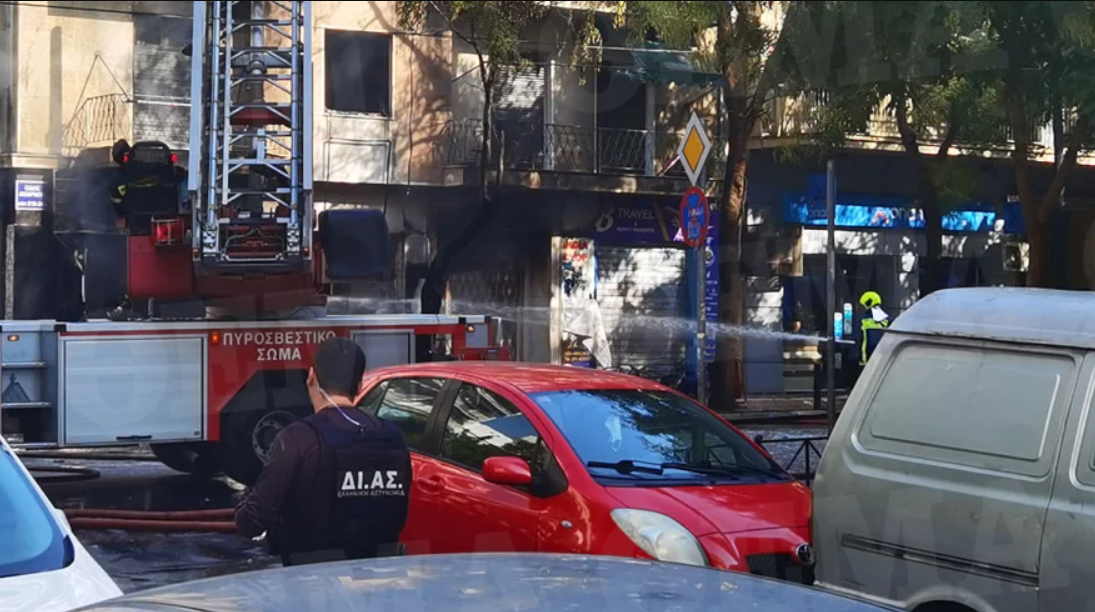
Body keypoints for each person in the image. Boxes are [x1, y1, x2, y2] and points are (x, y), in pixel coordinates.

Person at [234, 338, 412, 566]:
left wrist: (248, 497)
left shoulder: (298, 438)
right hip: (378, 577)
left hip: (310, 579)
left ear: (311, 377)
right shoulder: (393, 436)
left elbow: (250, 522)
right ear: (359, 385)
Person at [858, 291, 890, 366]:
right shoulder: (888, 320)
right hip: (883, 360)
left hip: (866, 360)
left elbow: (857, 338)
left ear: (867, 304)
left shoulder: (862, 320)